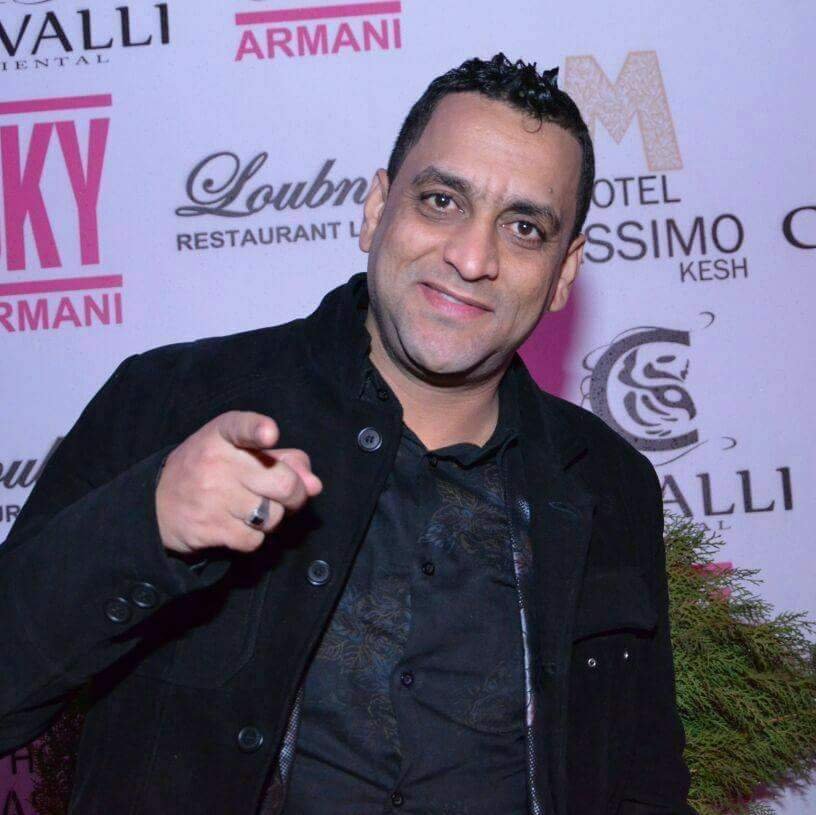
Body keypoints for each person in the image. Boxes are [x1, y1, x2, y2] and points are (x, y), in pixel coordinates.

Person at [0, 53, 695, 814]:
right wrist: (147, 524)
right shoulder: (173, 401)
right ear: (376, 208)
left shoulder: (606, 483)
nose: (472, 258)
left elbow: (644, 785)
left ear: (564, 272)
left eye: (524, 227)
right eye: (441, 201)